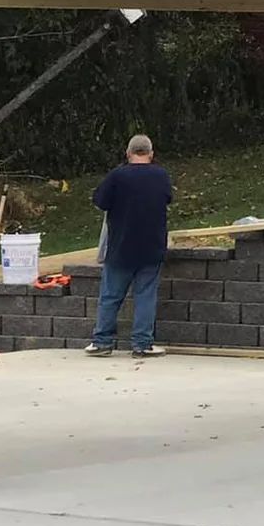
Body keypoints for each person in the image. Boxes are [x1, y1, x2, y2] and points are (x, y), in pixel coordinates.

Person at [85, 133, 173, 359]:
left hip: (121, 247)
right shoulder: (161, 175)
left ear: (128, 153)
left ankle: (102, 342)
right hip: (152, 247)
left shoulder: (117, 176)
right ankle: (142, 344)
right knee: (145, 297)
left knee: (111, 296)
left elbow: (100, 202)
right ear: (151, 154)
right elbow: (167, 199)